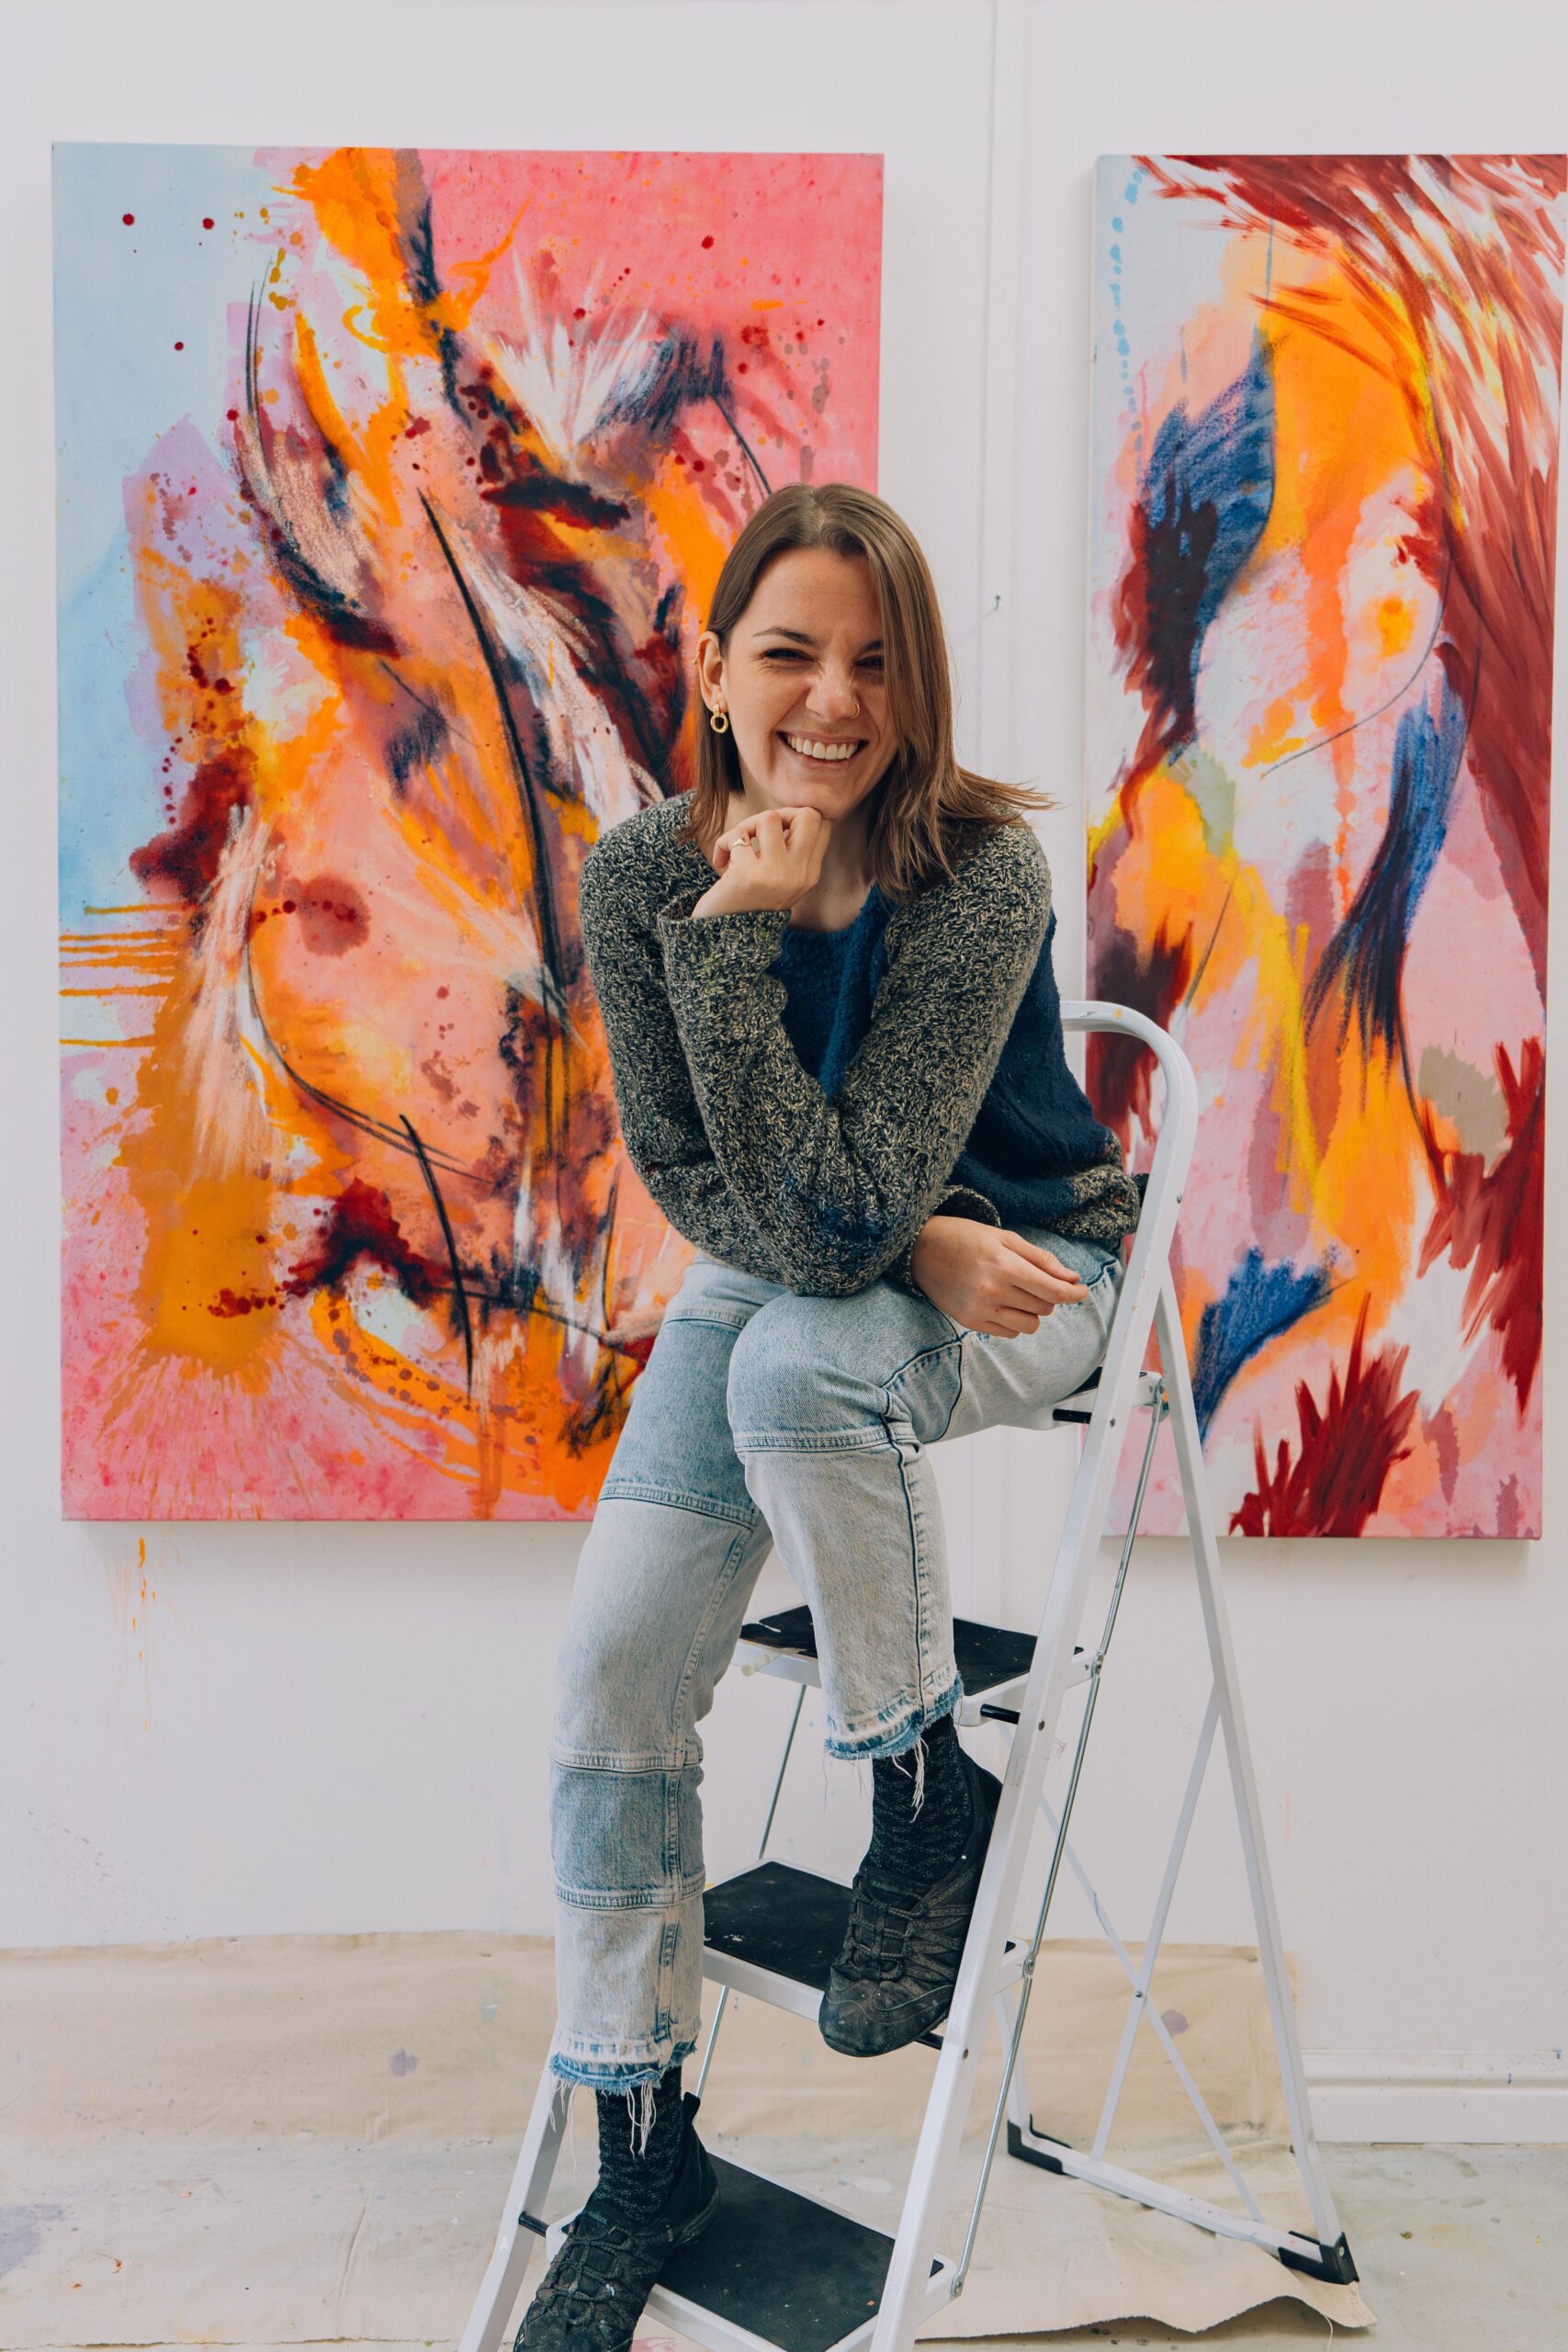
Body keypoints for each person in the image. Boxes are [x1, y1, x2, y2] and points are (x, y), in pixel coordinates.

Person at [514, 482, 1141, 2349]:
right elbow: (706, 1181)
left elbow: (859, 1196)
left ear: (917, 682)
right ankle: (643, 2150)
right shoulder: (647, 874)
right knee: (610, 1680)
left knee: (799, 1366)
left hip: (1031, 1260)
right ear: (712, 671)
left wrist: (918, 1229)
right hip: (811, 1261)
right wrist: (733, 934)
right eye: (790, 652)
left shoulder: (979, 872)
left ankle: (923, 1797)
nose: (836, 698)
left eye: (877, 660)